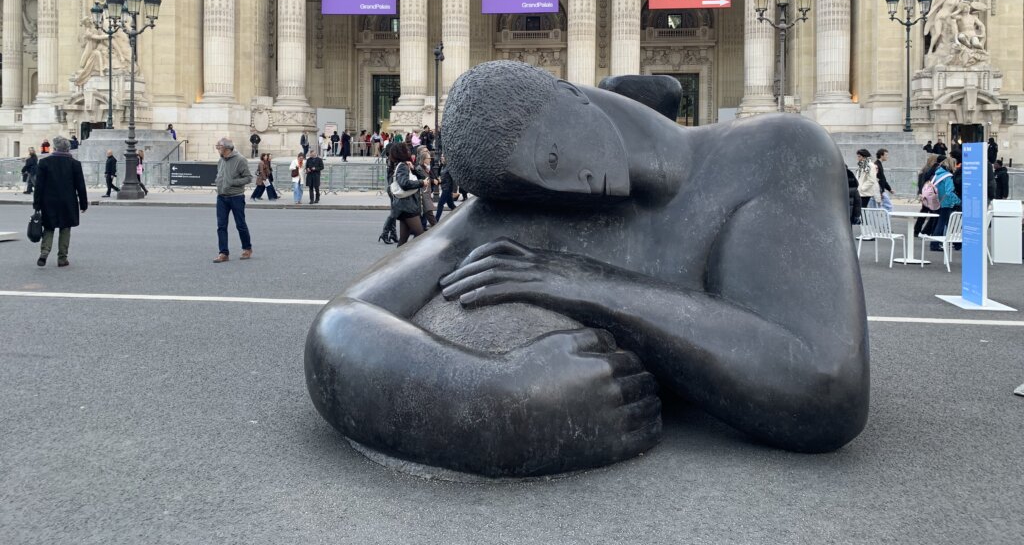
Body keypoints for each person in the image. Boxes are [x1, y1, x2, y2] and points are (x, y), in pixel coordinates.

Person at [306, 61, 869, 477]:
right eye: (536, 184)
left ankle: (640, 94)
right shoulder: (518, 206)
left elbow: (825, 387)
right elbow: (339, 328)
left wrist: (582, 283)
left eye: (554, 159)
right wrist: (499, 398)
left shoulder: (778, 151)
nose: (568, 187)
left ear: (571, 99)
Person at [32, 136, 88, 268]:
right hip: (68, 201)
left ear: (55, 147)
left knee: (49, 227)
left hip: (48, 200)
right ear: (68, 148)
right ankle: (62, 258)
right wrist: (84, 203)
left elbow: (39, 186)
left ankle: (45, 251)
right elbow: (80, 186)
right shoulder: (75, 164)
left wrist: (37, 203)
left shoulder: (44, 162)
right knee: (65, 228)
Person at [212, 138, 253, 263]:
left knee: (240, 224)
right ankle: (223, 253)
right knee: (221, 226)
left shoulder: (240, 160)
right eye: (217, 146)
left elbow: (248, 178)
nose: (217, 149)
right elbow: (220, 174)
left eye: (219, 146)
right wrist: (219, 183)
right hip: (221, 197)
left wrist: (232, 183)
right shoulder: (221, 160)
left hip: (236, 197)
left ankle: (247, 248)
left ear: (227, 148)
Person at [391, 142, 430, 246]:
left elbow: (421, 175)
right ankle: (413, 258)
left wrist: (413, 168)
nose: (409, 151)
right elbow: (405, 184)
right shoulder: (402, 166)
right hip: (407, 207)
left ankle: (396, 261)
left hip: (406, 206)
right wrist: (421, 183)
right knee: (420, 235)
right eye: (406, 150)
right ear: (402, 152)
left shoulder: (405, 165)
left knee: (403, 240)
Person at [927, 157, 961, 250]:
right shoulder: (948, 176)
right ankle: (935, 244)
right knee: (942, 223)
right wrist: (958, 201)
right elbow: (949, 192)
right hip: (945, 203)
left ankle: (955, 243)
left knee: (942, 222)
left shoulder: (936, 175)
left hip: (936, 202)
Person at [914, 153, 940, 236]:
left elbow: (920, 183)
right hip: (929, 195)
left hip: (924, 193)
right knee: (933, 213)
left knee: (923, 212)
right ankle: (927, 231)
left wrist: (920, 193)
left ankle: (917, 230)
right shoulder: (931, 171)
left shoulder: (924, 169)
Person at [435, 154, 458, 222]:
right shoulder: (442, 166)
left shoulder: (449, 167)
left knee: (440, 204)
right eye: (441, 156)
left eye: (443, 157)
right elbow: (443, 177)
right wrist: (440, 180)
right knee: (451, 205)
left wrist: (454, 191)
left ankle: (436, 220)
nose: (442, 158)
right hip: (444, 187)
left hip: (447, 189)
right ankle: (460, 215)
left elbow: (454, 179)